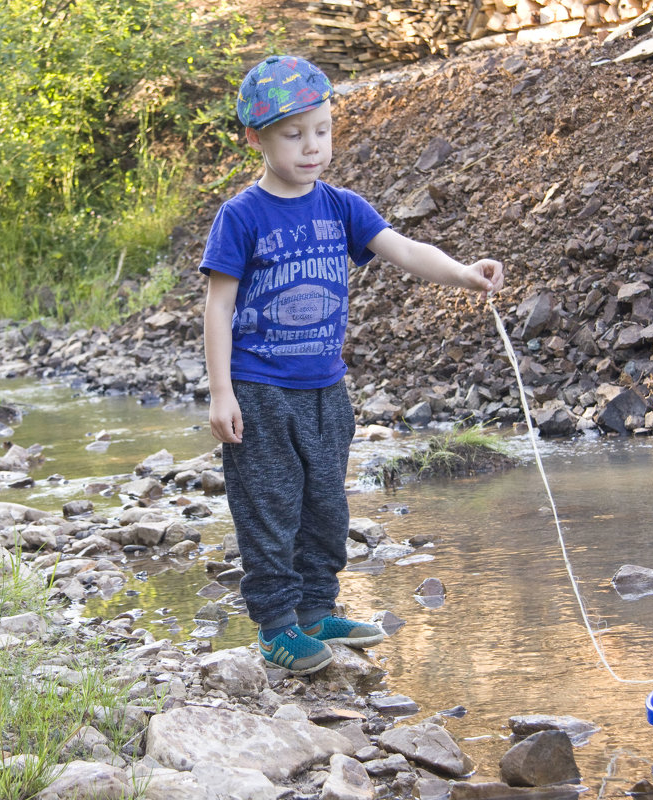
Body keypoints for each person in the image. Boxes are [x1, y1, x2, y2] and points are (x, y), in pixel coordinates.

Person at [200, 54, 505, 674]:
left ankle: (317, 609)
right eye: (294, 135)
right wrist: (220, 393)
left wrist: (464, 276)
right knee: (269, 504)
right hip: (260, 390)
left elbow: (406, 250)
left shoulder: (341, 207)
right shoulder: (242, 216)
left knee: (325, 506)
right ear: (256, 138)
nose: (312, 147)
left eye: (322, 131)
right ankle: (277, 626)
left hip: (325, 390)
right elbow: (217, 306)